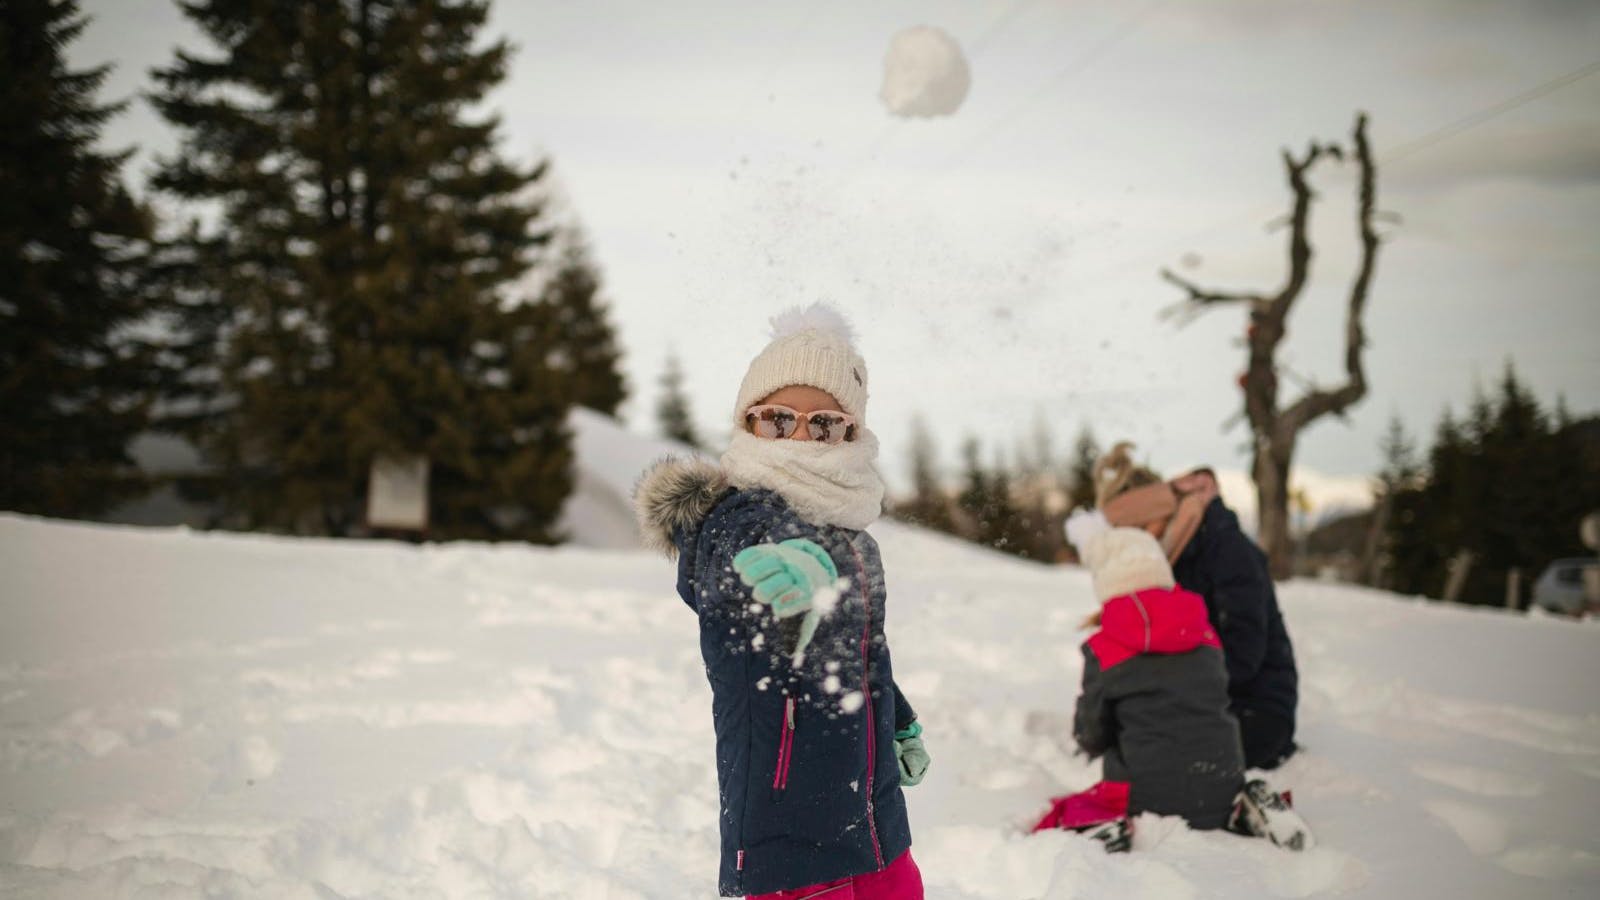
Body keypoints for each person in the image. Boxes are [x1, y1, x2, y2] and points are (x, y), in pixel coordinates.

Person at [633, 304, 927, 899]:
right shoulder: (733, 516)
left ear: (851, 434)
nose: (797, 436)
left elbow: (859, 652)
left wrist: (896, 718)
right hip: (789, 827)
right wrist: (787, 562)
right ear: (748, 422)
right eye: (778, 419)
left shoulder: (854, 538)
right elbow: (731, 565)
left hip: (871, 812)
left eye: (823, 425)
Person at [1033, 513, 1245, 842]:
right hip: (1223, 785)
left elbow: (1091, 734)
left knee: (1063, 816)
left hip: (1145, 800)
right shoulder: (1206, 635)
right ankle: (1247, 808)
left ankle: (1104, 827)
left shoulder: (1105, 648)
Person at [1093, 443, 1300, 771]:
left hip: (1256, 709)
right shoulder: (1164, 560)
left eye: (1139, 531)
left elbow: (1243, 655)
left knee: (1159, 754)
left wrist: (1166, 690)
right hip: (1201, 703)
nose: (1134, 543)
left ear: (1157, 514)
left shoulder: (1227, 550)